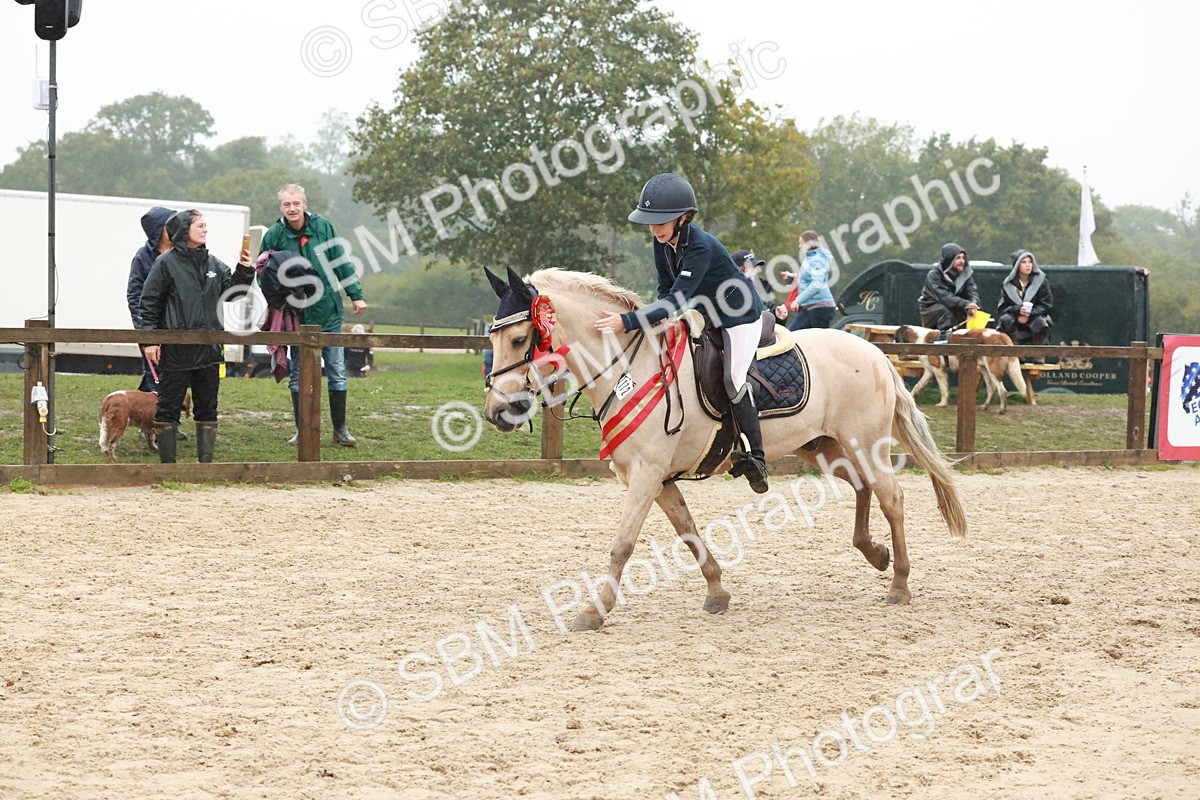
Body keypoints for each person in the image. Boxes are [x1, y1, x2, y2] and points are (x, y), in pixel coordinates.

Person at [594, 172, 769, 493]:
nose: (654, 228)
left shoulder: (700, 246)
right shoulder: (662, 242)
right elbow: (666, 289)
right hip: (708, 313)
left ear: (683, 218)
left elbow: (676, 299)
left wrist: (628, 321)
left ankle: (756, 457)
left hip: (739, 315)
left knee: (733, 378)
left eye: (661, 222)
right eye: (650, 222)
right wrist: (656, 320)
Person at [138, 210, 255, 463]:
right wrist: (150, 341)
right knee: (168, 407)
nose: (205, 229)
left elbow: (235, 293)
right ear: (184, 230)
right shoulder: (165, 263)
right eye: (200, 225)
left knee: (207, 407)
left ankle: (205, 465)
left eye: (205, 225)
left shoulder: (214, 264)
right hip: (176, 351)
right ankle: (168, 467)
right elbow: (148, 302)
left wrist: (245, 269)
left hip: (209, 351)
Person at [259, 183, 367, 447]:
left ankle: (340, 430)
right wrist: (279, 300)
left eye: (296, 203)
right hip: (296, 317)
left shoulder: (323, 226)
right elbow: (262, 272)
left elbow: (340, 261)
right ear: (281, 207)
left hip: (328, 313)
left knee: (336, 370)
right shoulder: (274, 235)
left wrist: (355, 294)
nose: (292, 208)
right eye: (287, 204)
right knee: (298, 373)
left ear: (304, 204)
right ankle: (302, 430)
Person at [127, 206, 175, 392]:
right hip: (152, 327)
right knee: (154, 376)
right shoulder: (142, 257)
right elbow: (134, 295)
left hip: (178, 326)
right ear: (159, 230)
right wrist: (146, 335)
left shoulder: (182, 252)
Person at [996, 249, 1054, 362]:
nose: (1028, 265)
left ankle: (1039, 354)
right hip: (1015, 317)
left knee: (1041, 323)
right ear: (1017, 265)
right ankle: (1017, 352)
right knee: (1006, 320)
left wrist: (1030, 313)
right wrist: (1018, 310)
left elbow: (1046, 305)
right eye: (1024, 262)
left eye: (1030, 262)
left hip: (1035, 316)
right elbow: (1003, 308)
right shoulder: (1007, 284)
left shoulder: (1041, 282)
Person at [917, 243, 980, 331]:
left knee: (977, 313)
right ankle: (944, 337)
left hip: (957, 308)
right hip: (932, 311)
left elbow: (972, 293)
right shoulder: (934, 275)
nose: (962, 261)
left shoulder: (966, 276)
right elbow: (944, 297)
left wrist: (973, 305)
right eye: (958, 258)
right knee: (946, 312)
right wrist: (966, 304)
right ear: (948, 260)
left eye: (963, 258)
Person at [784, 231, 837, 330]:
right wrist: (791, 275)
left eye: (801, 243)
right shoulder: (810, 258)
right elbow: (807, 276)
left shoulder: (816, 260)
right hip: (810, 307)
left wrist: (798, 300)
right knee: (793, 336)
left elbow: (817, 284)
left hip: (820, 308)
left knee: (815, 339)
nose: (799, 246)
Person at [731, 249, 788, 321]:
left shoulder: (764, 289)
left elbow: (766, 322)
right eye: (748, 268)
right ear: (736, 271)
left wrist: (777, 317)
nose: (754, 271)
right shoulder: (728, 295)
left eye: (754, 267)